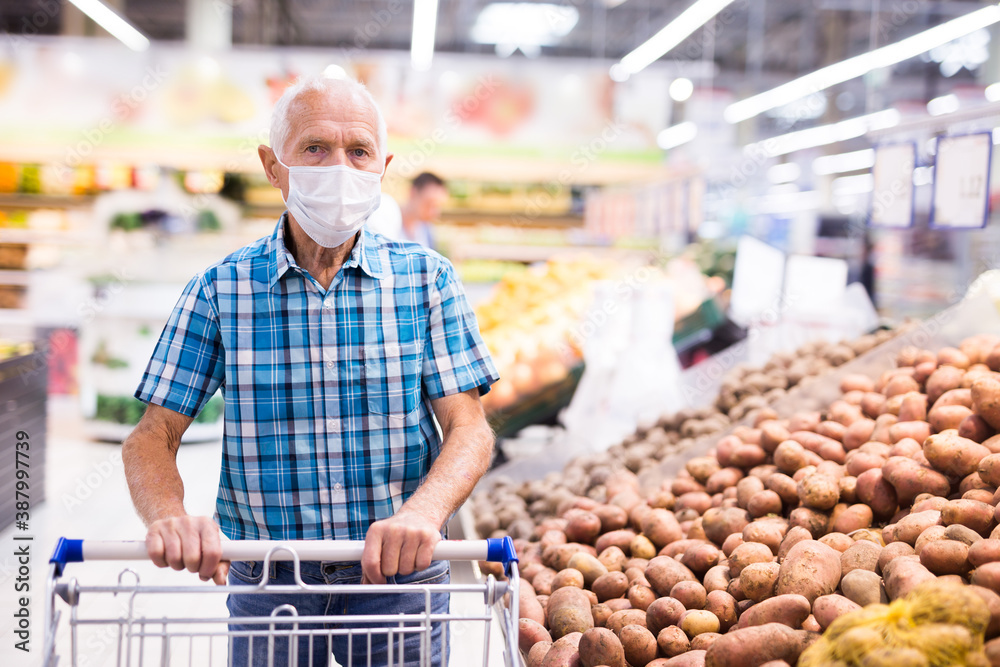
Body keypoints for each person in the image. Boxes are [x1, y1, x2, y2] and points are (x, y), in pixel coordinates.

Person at [121, 74, 498, 667]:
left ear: (383, 166)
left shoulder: (428, 280)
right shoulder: (222, 289)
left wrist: (423, 514)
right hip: (272, 584)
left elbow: (469, 428)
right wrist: (170, 518)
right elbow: (152, 435)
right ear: (274, 166)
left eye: (359, 152)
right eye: (315, 149)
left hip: (397, 582)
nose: (340, 168)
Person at [399, 172, 448, 249]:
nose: (434, 213)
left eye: (437, 207)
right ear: (413, 193)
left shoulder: (427, 231)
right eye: (429, 204)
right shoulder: (388, 223)